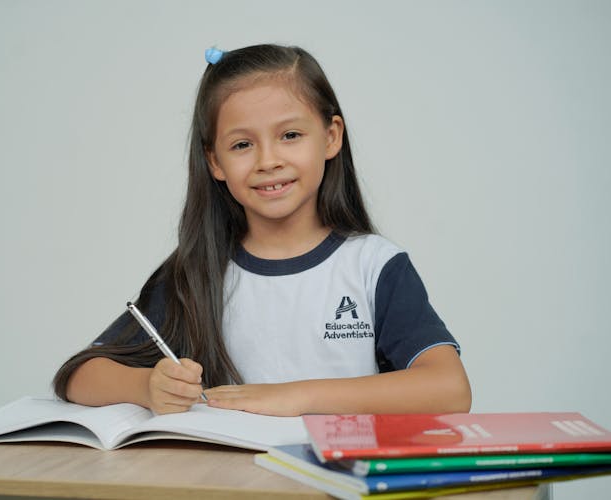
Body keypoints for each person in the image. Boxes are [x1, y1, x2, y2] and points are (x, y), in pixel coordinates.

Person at [53, 44, 471, 417]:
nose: (268, 160)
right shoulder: (195, 270)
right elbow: (78, 376)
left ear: (330, 137)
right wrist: (147, 386)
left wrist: (294, 397)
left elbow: (449, 389)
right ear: (214, 162)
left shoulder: (375, 266)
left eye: (290, 135)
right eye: (241, 145)